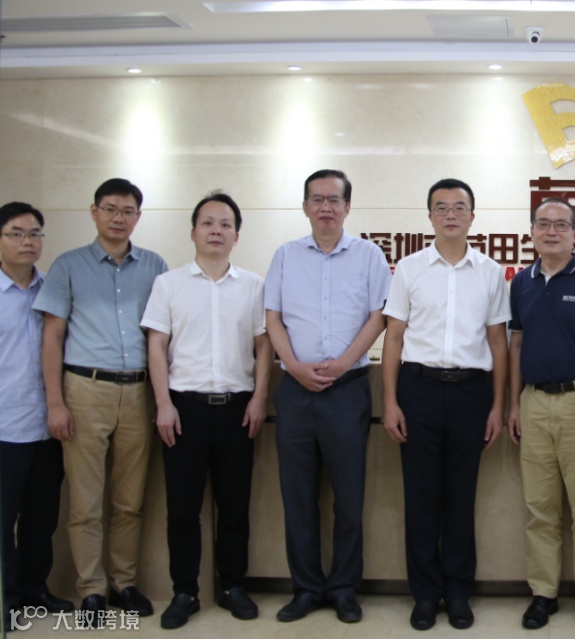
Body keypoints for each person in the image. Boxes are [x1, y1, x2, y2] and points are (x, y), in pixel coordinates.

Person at [33, 178, 167, 623]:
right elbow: (52, 338)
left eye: (127, 211)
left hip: (139, 392)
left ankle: (123, 584)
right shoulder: (68, 265)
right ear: (94, 212)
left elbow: (161, 335)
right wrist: (56, 403)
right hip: (84, 390)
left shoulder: (155, 266)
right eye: (110, 209)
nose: (118, 218)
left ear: (138, 217)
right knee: (85, 502)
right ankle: (90, 589)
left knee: (129, 500)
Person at [382, 178, 510, 631]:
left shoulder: (490, 272)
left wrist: (497, 406)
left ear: (473, 217)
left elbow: (498, 343)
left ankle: (457, 592)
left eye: (459, 207)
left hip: (471, 394)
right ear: (430, 216)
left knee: (460, 497)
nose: (450, 214)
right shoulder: (409, 268)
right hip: (418, 391)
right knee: (420, 498)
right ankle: (424, 594)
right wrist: (390, 401)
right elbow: (393, 339)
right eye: (441, 207)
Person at [264, 169, 391, 624]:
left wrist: (344, 362)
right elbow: (273, 318)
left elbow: (379, 317)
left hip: (347, 390)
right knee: (297, 497)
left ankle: (343, 588)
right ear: (305, 207)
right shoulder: (285, 256)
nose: (326, 207)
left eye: (334, 199)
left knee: (348, 499)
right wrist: (292, 365)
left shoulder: (369, 255)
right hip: (295, 392)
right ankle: (305, 588)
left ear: (347, 207)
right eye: (317, 199)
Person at [141, 192, 272, 629]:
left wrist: (259, 398)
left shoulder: (253, 286)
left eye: (225, 224)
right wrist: (163, 404)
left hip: (237, 409)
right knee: (183, 508)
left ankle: (233, 586)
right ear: (193, 231)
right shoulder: (169, 284)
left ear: (237, 235)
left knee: (234, 505)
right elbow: (156, 346)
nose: (217, 231)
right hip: (184, 409)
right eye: (208, 223)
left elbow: (263, 346)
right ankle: (185, 591)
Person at [507, 198, 575, 632]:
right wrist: (514, 403)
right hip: (533, 403)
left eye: (561, 225)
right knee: (540, 509)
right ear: (532, 231)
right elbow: (516, 345)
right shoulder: (522, 281)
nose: (551, 231)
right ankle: (543, 594)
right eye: (543, 224)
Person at [0, 202, 74, 629]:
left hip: (48, 424)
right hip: (5, 426)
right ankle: (7, 599)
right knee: (3, 520)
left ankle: (35, 590)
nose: (27, 242)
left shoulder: (53, 289)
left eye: (34, 234)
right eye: (16, 233)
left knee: (42, 517)